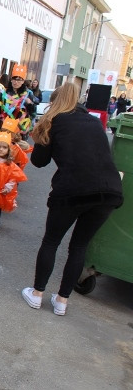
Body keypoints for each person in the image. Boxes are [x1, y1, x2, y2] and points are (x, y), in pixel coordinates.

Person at [21, 82, 123, 316]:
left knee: (51, 241)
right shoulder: (95, 122)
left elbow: (39, 161)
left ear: (55, 101)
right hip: (108, 191)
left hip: (72, 190)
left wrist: (36, 139)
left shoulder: (52, 122)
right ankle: (62, 301)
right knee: (79, 246)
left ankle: (37, 294)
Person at [0, 65, 35, 140]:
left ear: (23, 81)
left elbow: (32, 112)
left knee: (16, 147)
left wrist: (30, 104)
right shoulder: (4, 92)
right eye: (14, 79)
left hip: (19, 126)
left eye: (19, 80)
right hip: (4, 124)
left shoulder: (28, 94)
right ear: (11, 80)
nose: (16, 82)